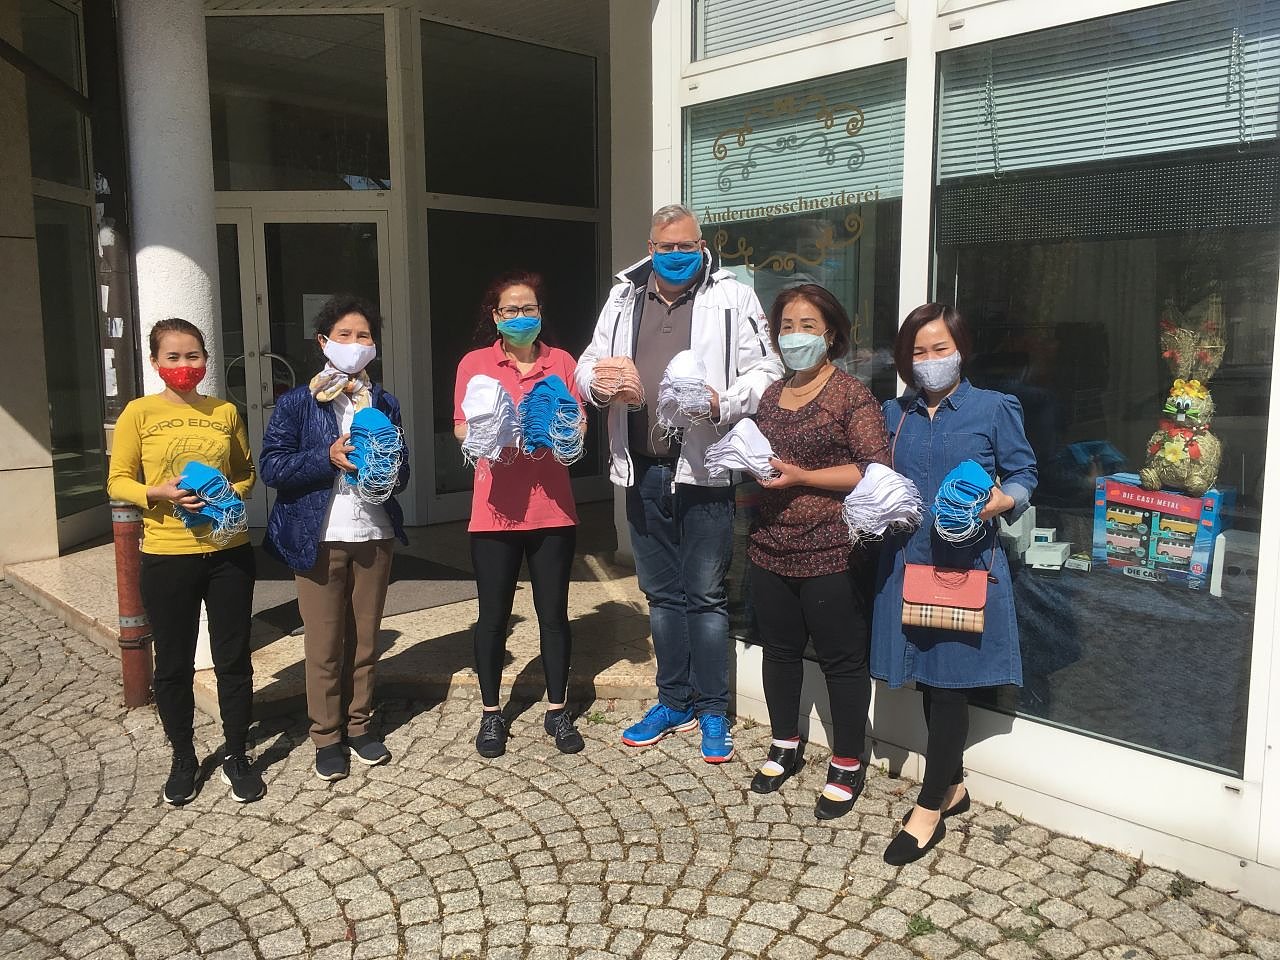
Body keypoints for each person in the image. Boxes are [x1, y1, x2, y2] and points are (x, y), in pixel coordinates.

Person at [576, 204, 784, 762]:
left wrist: (723, 401)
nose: (674, 255)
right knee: (662, 595)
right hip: (642, 467)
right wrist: (598, 384)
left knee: (706, 595)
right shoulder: (623, 297)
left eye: (685, 246)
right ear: (650, 247)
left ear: (702, 246)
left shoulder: (732, 297)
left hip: (705, 468)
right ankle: (674, 701)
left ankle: (712, 708)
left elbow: (768, 371)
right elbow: (587, 362)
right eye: (665, 246)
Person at [873, 303, 1037, 865]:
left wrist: (1002, 501)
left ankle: (928, 808)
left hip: (963, 566)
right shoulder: (895, 414)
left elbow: (1025, 472)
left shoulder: (994, 408)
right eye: (918, 351)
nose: (930, 360)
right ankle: (955, 784)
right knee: (928, 679)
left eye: (940, 348)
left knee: (949, 686)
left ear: (961, 350)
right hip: (907, 563)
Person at [747, 284, 890, 818]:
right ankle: (784, 742)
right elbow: (765, 456)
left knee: (841, 660)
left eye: (807, 326)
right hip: (769, 544)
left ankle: (848, 760)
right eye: (786, 326)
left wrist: (803, 476)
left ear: (830, 334)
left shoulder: (850, 395)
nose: (795, 336)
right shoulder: (771, 394)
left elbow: (874, 469)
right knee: (779, 651)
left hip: (831, 548)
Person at [107, 318, 262, 805]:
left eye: (192, 355)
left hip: (229, 552)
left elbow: (247, 472)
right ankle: (184, 757)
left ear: (206, 360)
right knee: (173, 664)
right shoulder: (139, 413)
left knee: (233, 659)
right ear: (155, 362)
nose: (183, 365)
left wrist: (226, 493)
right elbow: (117, 480)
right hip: (167, 555)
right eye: (172, 356)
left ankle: (236, 753)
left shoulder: (224, 411)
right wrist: (158, 492)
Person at [259, 295, 409, 782]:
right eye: (344, 335)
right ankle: (326, 735)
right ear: (323, 342)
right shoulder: (297, 403)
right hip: (317, 536)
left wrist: (384, 465)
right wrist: (327, 457)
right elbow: (272, 467)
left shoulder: (384, 401)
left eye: (364, 335)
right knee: (324, 644)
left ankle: (359, 725)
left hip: (374, 533)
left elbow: (402, 472)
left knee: (364, 641)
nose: (355, 343)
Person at [453, 270, 586, 758]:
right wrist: (495, 431)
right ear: (495, 316)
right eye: (511, 310)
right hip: (494, 513)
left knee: (554, 616)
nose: (520, 316)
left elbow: (578, 426)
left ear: (540, 313)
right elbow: (461, 429)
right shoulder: (475, 364)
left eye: (529, 308)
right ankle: (492, 714)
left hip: (552, 511)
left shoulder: (562, 362)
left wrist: (559, 427)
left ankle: (557, 710)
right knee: (492, 617)